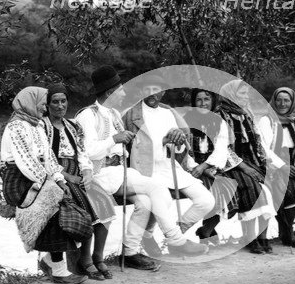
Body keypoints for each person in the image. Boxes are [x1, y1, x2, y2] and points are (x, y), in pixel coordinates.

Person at [75, 66, 206, 269]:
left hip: (120, 172)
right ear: (110, 92)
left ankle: (130, 252)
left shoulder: (114, 115)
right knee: (157, 188)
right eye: (120, 89)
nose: (124, 92)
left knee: (144, 202)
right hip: (100, 173)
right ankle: (176, 240)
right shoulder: (88, 116)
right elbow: (88, 152)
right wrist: (114, 139)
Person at [0, 86, 88, 284]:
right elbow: (26, 161)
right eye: (42, 104)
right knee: (55, 206)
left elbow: (48, 158)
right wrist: (48, 184)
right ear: (31, 102)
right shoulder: (16, 127)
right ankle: (59, 271)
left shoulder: (37, 125)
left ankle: (51, 262)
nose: (44, 108)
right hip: (18, 181)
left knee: (63, 201)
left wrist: (59, 179)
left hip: (38, 178)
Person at [122, 75, 214, 256]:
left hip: (168, 166)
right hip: (144, 169)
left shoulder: (168, 113)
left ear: (162, 92)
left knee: (206, 201)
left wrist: (176, 140)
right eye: (146, 89)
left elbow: (178, 148)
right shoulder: (131, 114)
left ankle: (174, 234)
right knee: (162, 199)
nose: (150, 94)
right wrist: (163, 140)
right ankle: (164, 239)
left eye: (155, 90)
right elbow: (132, 147)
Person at [42, 83, 117, 280]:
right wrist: (67, 177)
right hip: (57, 177)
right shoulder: (42, 127)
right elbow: (45, 158)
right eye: (55, 102)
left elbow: (82, 152)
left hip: (78, 173)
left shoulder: (73, 125)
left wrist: (87, 172)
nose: (60, 106)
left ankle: (97, 257)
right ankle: (85, 261)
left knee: (103, 201)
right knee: (84, 206)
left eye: (63, 101)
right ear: (47, 105)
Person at [183, 89, 273, 248]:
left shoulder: (219, 121)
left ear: (212, 101)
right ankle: (202, 231)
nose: (203, 103)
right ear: (193, 102)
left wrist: (207, 165)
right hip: (193, 169)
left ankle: (255, 237)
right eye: (199, 100)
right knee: (223, 189)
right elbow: (185, 151)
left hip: (214, 165)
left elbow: (221, 149)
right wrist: (197, 167)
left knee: (252, 186)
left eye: (206, 99)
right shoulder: (186, 120)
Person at [217, 80, 275, 254]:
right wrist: (243, 167)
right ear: (230, 95)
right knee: (251, 187)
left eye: (246, 93)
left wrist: (264, 161)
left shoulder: (246, 113)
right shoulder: (219, 115)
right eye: (241, 93)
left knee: (268, 185)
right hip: (231, 164)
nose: (246, 97)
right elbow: (222, 148)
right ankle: (249, 237)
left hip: (251, 160)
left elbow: (257, 140)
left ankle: (263, 236)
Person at [258, 87, 295, 248]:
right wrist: (284, 167)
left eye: (286, 100)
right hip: (273, 166)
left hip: (293, 163)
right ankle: (286, 232)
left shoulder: (294, 121)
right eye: (279, 100)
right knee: (291, 193)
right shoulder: (266, 120)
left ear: (292, 102)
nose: (282, 104)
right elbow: (265, 149)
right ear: (274, 101)